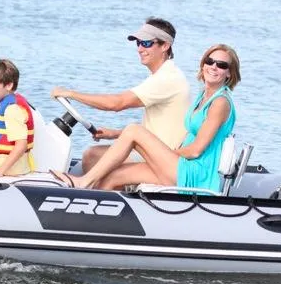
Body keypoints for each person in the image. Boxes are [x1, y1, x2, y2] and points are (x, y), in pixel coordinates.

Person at [52, 44, 240, 192]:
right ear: (203, 64)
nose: (214, 67)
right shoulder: (203, 96)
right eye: (210, 61)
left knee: (134, 130)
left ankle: (83, 182)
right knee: (114, 176)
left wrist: (160, 156)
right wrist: (120, 136)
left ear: (229, 73)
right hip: (181, 167)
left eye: (222, 65)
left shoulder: (220, 102)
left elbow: (196, 150)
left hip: (195, 173)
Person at [50, 17, 190, 173]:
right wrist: (114, 134)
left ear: (165, 46)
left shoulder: (166, 78)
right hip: (154, 150)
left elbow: (117, 103)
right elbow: (154, 131)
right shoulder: (164, 75)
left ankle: (94, 186)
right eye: (138, 43)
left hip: (161, 158)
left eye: (146, 43)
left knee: (92, 155)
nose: (140, 49)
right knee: (93, 156)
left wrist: (70, 93)